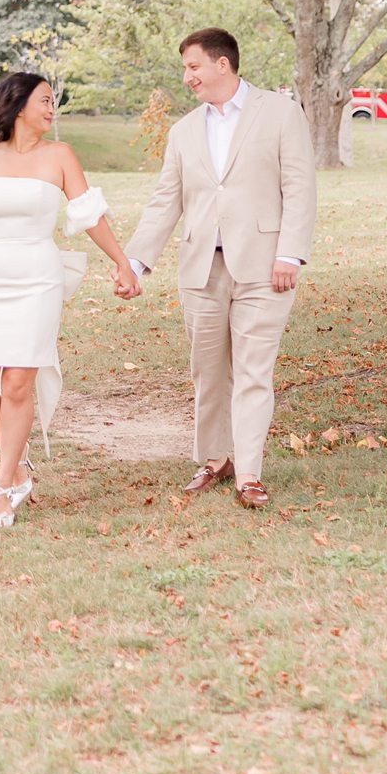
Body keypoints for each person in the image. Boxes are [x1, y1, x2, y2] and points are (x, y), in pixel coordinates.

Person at [0, 69, 138, 529]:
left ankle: (3, 487)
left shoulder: (60, 156)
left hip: (38, 279)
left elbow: (90, 217)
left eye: (53, 102)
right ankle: (18, 461)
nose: (51, 109)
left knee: (18, 385)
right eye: (44, 100)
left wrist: (122, 262)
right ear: (18, 102)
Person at [125, 28, 317, 511]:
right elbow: (165, 201)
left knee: (254, 373)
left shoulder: (278, 113)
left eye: (193, 66)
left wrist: (290, 254)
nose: (187, 76)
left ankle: (248, 473)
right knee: (208, 373)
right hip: (200, 269)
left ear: (222, 65)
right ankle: (214, 460)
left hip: (264, 267)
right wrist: (134, 260)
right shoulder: (184, 131)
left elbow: (299, 186)